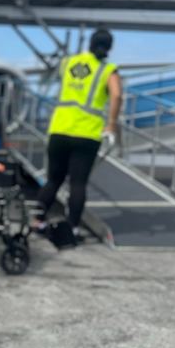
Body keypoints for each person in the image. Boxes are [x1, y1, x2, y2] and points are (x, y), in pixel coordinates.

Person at [33, 29, 122, 242]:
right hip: (86, 133)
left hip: (60, 128)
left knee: (53, 179)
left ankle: (37, 220)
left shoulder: (69, 63)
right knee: (78, 183)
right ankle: (71, 228)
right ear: (109, 48)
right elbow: (117, 95)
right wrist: (111, 125)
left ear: (90, 43)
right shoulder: (107, 69)